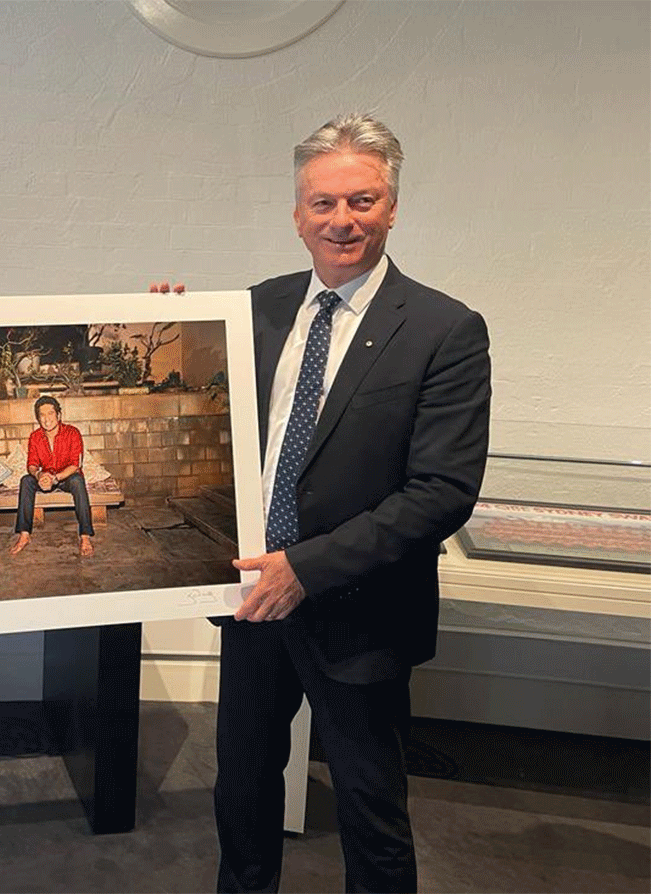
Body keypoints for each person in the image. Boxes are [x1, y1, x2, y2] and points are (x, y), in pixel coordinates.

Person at [213, 113, 491, 893]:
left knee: (371, 813)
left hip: (362, 612)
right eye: (324, 204)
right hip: (253, 604)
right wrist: (162, 321)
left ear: (393, 208)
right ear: (298, 214)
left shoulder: (445, 330)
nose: (343, 221)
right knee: (240, 794)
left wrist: (305, 568)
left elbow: (442, 493)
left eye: (362, 201)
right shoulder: (252, 309)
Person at [9, 395, 95, 557]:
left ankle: (85, 536)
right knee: (26, 480)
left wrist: (56, 478)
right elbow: (32, 464)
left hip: (66, 477)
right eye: (42, 415)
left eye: (50, 413)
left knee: (78, 480)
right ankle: (24, 535)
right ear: (38, 418)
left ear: (59, 415)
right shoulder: (35, 437)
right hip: (45, 476)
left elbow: (76, 464)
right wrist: (40, 475)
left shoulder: (72, 433)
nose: (46, 419)